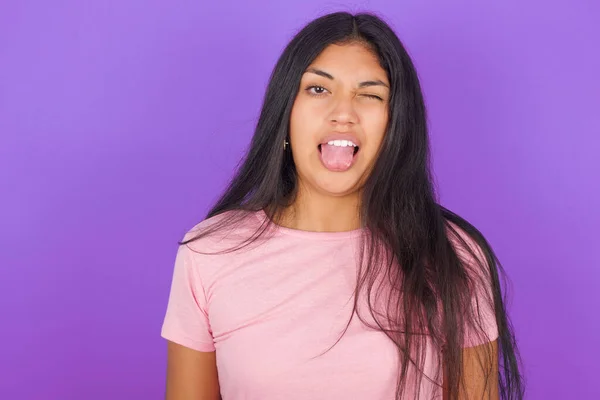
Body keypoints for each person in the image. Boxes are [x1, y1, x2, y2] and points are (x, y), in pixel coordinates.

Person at [160, 11, 524, 400]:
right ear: (285, 112)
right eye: (318, 89)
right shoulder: (209, 251)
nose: (343, 114)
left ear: (395, 125)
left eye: (369, 94)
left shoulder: (453, 254)